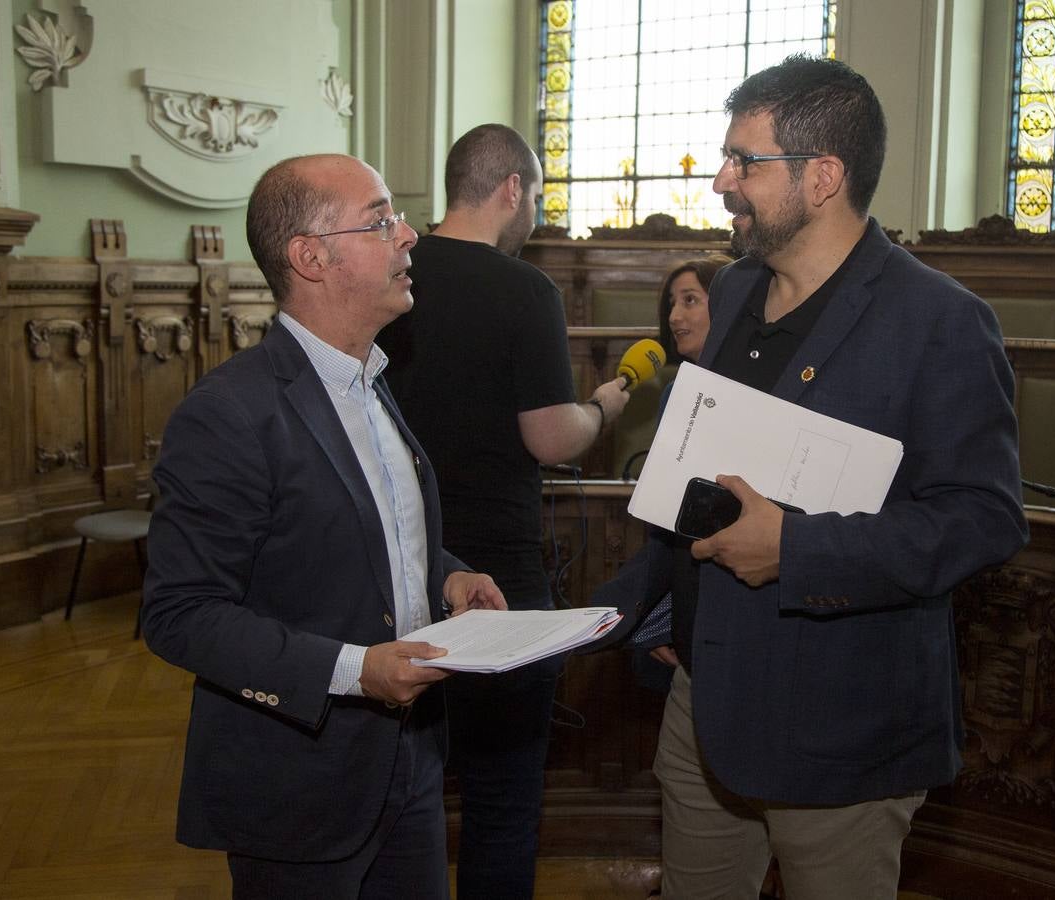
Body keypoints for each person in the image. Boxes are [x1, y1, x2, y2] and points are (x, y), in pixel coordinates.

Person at [637, 56, 1029, 898]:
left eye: (746, 162)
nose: (722, 181)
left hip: (841, 720)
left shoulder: (943, 322)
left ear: (823, 177)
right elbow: (700, 473)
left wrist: (796, 550)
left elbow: (982, 520)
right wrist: (650, 608)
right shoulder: (735, 289)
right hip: (700, 701)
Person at [141, 153, 507, 900]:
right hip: (298, 780)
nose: (409, 234)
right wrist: (356, 671)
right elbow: (181, 615)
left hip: (409, 759)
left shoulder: (372, 379)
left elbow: (374, 533)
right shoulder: (229, 413)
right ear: (310, 257)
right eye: (380, 220)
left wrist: (447, 574)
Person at [375, 124, 630, 900]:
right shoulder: (525, 291)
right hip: (499, 580)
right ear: (512, 188)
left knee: (398, 793)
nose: (536, 214)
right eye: (539, 195)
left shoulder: (391, 276)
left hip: (399, 567)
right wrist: (603, 407)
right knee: (502, 800)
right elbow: (550, 436)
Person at [630, 254, 732, 692]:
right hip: (690, 612)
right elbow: (671, 521)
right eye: (671, 303)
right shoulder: (677, 390)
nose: (674, 316)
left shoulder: (756, 387)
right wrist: (657, 614)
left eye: (690, 300)